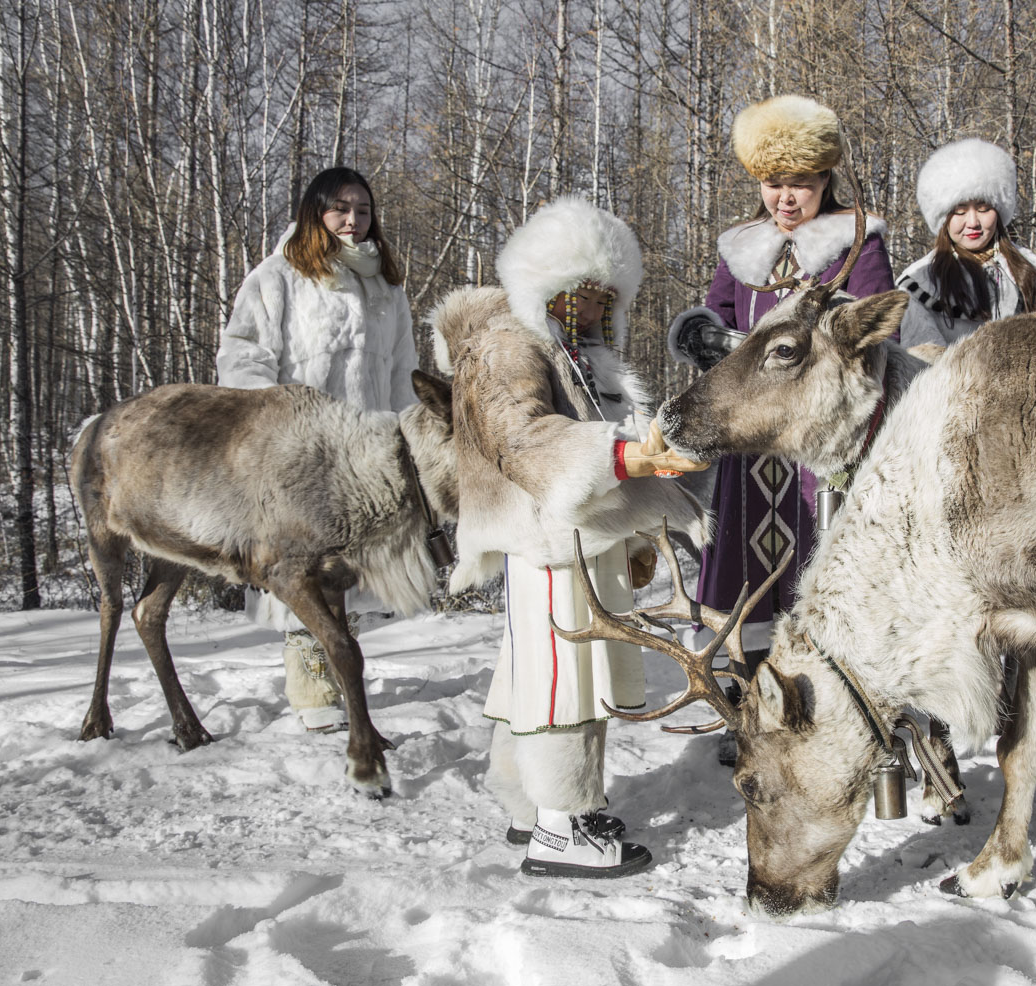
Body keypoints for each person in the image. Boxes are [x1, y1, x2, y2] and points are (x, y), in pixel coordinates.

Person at [434, 195, 707, 877]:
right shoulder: (508, 344)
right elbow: (521, 439)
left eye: (604, 297)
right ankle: (563, 823)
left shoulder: (580, 352)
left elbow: (608, 444)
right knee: (565, 678)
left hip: (583, 537)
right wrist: (623, 458)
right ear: (548, 283)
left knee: (539, 668)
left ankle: (529, 802)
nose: (591, 308)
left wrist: (637, 534)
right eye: (581, 293)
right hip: (547, 541)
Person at [670, 95, 894, 748]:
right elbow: (711, 312)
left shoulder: (855, 242)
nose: (786, 198)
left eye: (801, 183)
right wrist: (706, 339)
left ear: (825, 180)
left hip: (816, 442)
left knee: (820, 560)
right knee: (742, 561)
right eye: (775, 183)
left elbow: (864, 325)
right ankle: (746, 705)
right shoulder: (742, 247)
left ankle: (827, 701)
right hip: (747, 440)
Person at [216, 166, 419, 735]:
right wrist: (274, 421)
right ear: (315, 212)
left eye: (362, 210)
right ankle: (311, 684)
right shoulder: (279, 276)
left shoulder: (387, 285)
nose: (353, 221)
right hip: (299, 452)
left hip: (368, 453)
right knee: (302, 565)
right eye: (340, 209)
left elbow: (403, 370)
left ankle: (343, 674)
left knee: (350, 569)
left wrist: (406, 437)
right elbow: (242, 354)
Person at [897, 138, 1036, 349]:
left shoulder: (1032, 272)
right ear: (943, 218)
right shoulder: (919, 283)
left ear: (999, 212)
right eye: (960, 211)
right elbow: (922, 364)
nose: (973, 222)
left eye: (983, 209)